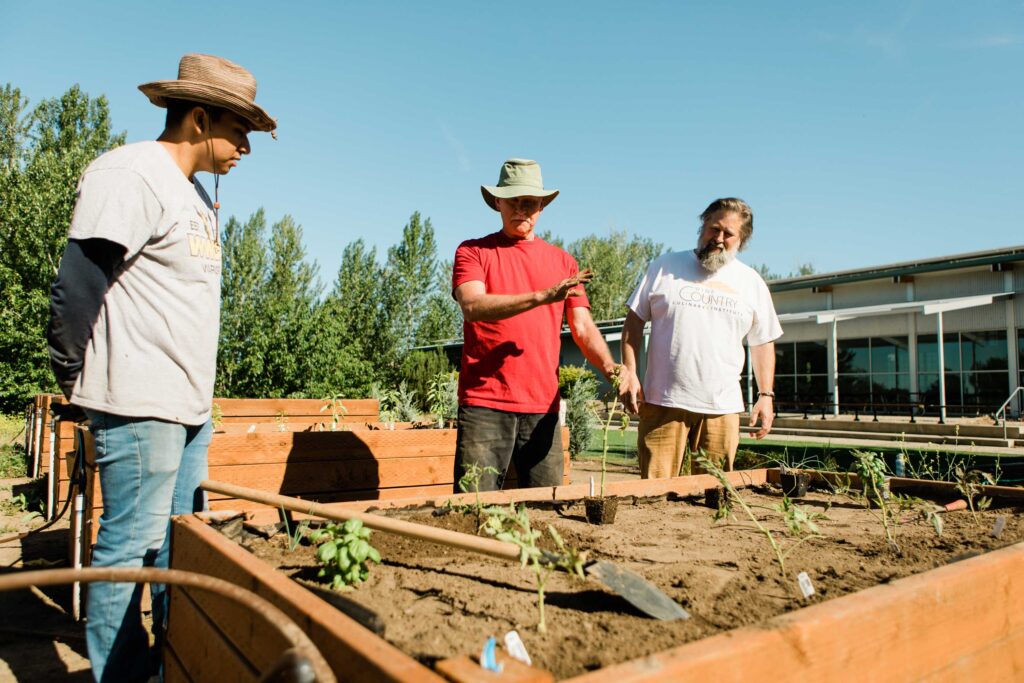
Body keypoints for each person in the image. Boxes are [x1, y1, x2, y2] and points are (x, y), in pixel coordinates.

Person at [46, 53, 275, 682]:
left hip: (187, 407)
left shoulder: (196, 196)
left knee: (180, 547)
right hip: (139, 402)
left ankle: (173, 666)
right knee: (127, 551)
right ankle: (122, 676)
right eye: (241, 130)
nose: (247, 147)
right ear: (199, 118)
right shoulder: (132, 174)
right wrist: (75, 376)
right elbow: (78, 283)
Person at [451, 158, 630, 491]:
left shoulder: (563, 263)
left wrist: (614, 370)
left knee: (547, 508)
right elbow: (473, 305)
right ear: (498, 203)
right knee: (473, 508)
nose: (522, 209)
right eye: (514, 201)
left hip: (542, 408)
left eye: (530, 202)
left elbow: (584, 328)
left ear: (542, 207)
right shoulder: (474, 251)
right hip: (485, 404)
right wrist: (544, 295)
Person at [619, 197, 781, 479]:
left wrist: (765, 396)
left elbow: (763, 342)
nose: (718, 238)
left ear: (741, 240)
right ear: (702, 227)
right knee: (652, 498)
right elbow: (633, 323)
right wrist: (630, 372)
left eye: (728, 234)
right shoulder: (665, 266)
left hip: (722, 408)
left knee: (715, 497)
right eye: (713, 229)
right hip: (662, 403)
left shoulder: (751, 282)